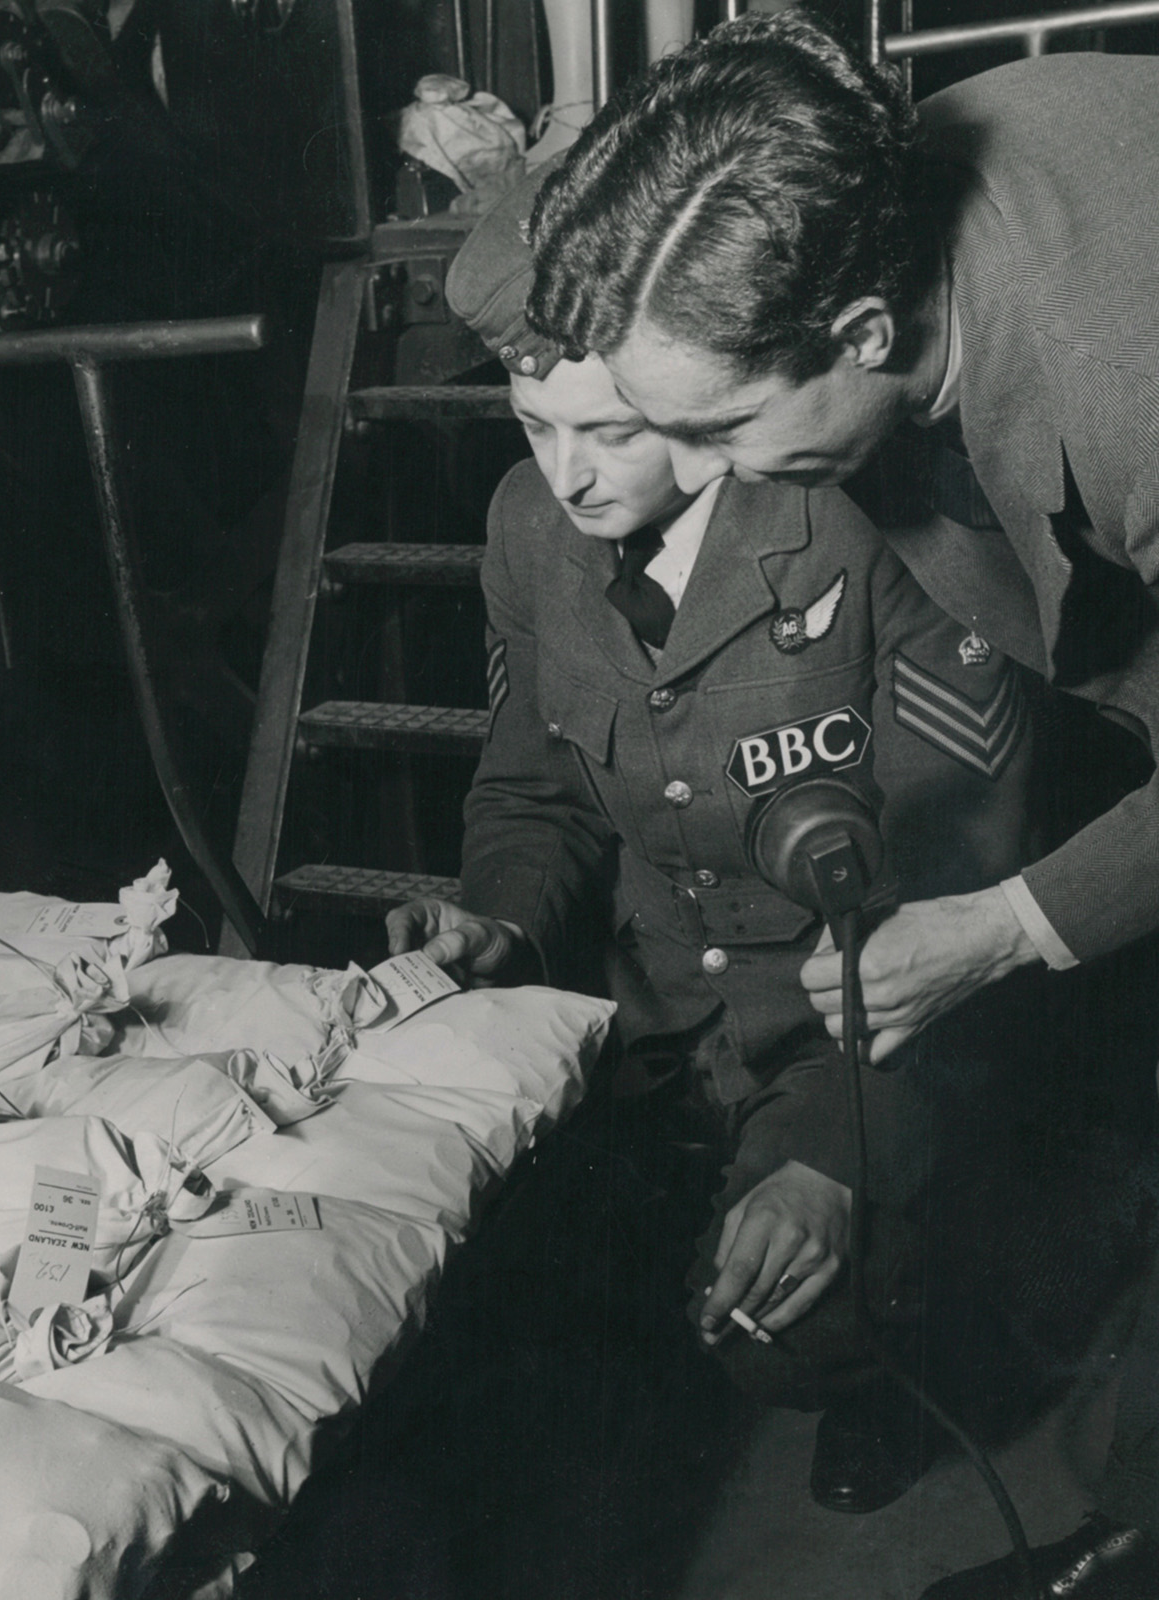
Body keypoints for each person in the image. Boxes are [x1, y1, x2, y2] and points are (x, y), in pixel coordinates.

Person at [524, 14, 1159, 1595]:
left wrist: (1010, 929)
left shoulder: (1129, 370)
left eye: (719, 432)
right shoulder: (855, 207)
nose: (695, 476)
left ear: (866, 332)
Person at [387, 162, 1038, 1518]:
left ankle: (888, 1356)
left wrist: (837, 1159)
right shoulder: (527, 530)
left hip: (859, 1030)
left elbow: (972, 906)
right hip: (652, 1022)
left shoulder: (865, 514)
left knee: (790, 1314)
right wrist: (496, 920)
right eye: (528, 423)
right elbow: (534, 791)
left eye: (610, 433)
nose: (565, 479)